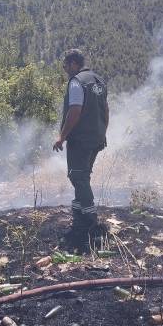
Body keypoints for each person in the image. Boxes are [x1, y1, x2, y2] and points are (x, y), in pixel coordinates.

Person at [53, 49, 109, 253]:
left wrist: (62, 136)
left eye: (66, 65)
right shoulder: (98, 80)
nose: (65, 69)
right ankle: (78, 213)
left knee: (78, 176)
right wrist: (103, 132)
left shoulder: (77, 81)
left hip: (81, 138)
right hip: (96, 137)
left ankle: (91, 221)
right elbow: (106, 110)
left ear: (74, 63)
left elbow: (75, 110)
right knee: (82, 174)